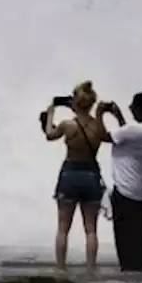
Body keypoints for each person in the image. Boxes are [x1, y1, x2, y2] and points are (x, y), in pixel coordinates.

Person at [42, 80, 108, 271]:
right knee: (91, 229)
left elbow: (49, 135)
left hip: (70, 174)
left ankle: (61, 268)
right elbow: (108, 138)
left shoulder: (67, 125)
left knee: (63, 227)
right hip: (91, 175)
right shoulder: (98, 127)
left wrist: (50, 114)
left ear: (74, 103)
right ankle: (90, 268)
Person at [105, 90, 142, 271]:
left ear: (139, 109)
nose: (130, 108)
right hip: (140, 194)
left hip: (124, 192)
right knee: (141, 248)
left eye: (132, 106)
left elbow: (104, 136)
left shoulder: (136, 130)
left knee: (126, 248)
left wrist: (98, 115)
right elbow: (125, 136)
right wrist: (119, 116)